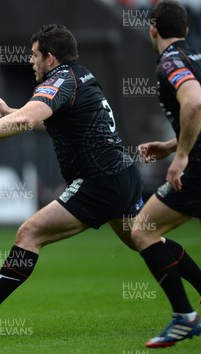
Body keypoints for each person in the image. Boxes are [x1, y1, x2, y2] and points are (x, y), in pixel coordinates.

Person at [0, 24, 201, 347]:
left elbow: (29, 120)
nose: (31, 62)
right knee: (144, 240)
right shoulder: (80, 75)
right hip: (120, 176)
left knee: (30, 233)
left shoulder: (60, 80)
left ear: (50, 58)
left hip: (100, 180)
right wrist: (11, 112)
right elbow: (42, 119)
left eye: (34, 55)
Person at [130, 0, 201, 348]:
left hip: (197, 170)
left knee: (142, 230)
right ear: (185, 29)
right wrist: (171, 145)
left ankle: (185, 317)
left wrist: (182, 155)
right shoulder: (197, 56)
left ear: (153, 28)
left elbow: (194, 104)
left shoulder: (171, 62)